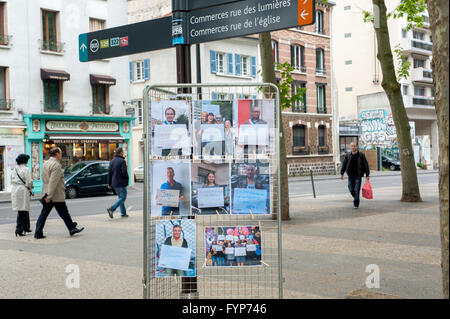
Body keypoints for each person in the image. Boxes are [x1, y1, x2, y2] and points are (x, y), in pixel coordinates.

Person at [34, 147, 84, 239]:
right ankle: (71, 228)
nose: (61, 155)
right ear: (57, 154)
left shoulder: (46, 163)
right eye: (61, 153)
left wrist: (47, 193)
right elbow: (53, 181)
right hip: (54, 194)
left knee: (47, 213)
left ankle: (38, 232)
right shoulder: (56, 165)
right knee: (63, 213)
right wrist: (49, 195)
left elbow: (44, 178)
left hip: (47, 192)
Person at [340, 142, 370, 208]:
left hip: (358, 175)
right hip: (350, 175)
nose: (353, 147)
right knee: (350, 188)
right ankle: (356, 198)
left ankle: (356, 204)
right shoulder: (348, 155)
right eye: (352, 146)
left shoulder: (361, 155)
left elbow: (365, 165)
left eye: (354, 146)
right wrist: (342, 173)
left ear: (357, 147)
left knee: (357, 190)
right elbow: (344, 164)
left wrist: (367, 174)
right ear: (350, 147)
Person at [11, 154, 33, 236]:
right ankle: (19, 229)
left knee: (22, 209)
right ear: (25, 160)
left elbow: (11, 180)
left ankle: (26, 227)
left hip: (15, 189)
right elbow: (29, 181)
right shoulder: (26, 169)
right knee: (23, 209)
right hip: (23, 190)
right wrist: (30, 188)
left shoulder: (15, 169)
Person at [107, 148, 129, 218]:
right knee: (123, 198)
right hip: (121, 182)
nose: (123, 153)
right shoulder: (122, 161)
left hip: (114, 183)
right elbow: (124, 172)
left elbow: (109, 173)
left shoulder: (112, 161)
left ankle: (123, 213)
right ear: (121, 153)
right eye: (122, 152)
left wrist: (109, 183)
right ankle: (111, 208)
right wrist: (127, 178)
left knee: (120, 197)